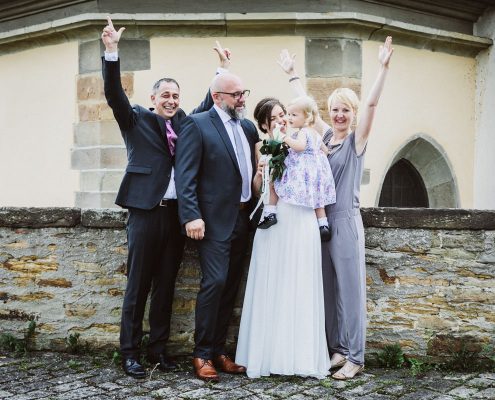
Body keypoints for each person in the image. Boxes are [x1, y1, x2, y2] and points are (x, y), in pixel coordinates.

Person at [101, 17, 231, 379]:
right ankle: (130, 353)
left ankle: (158, 350)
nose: (171, 100)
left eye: (176, 96)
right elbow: (113, 95)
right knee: (138, 285)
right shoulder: (136, 119)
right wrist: (111, 52)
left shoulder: (188, 123)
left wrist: (220, 70)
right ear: (153, 99)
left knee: (166, 287)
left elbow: (209, 107)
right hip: (144, 213)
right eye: (165, 96)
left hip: (175, 216)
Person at [235, 95, 331, 379]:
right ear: (264, 123)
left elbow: (319, 154)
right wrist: (260, 174)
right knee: (273, 281)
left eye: (283, 115)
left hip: (300, 214)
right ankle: (267, 355)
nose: (281, 120)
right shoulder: (261, 145)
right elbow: (256, 189)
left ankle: (299, 356)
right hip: (273, 218)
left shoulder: (300, 136)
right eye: (275, 117)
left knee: (299, 280)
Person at [175, 72, 259, 382]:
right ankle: (201, 354)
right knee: (215, 282)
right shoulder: (197, 125)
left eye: (243, 92)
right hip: (211, 222)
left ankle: (221, 352)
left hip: (243, 218)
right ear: (217, 97)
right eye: (235, 94)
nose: (242, 98)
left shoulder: (248, 127)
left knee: (231, 286)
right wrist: (190, 215)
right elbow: (186, 175)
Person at [321, 36, 394, 380]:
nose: (339, 115)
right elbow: (304, 110)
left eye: (345, 110)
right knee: (328, 289)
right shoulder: (324, 139)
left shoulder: (355, 141)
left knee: (350, 291)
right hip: (321, 223)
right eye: (335, 109)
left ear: (352, 115)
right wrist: (292, 74)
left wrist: (382, 68)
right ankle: (336, 349)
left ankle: (356, 356)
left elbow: (372, 108)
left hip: (346, 220)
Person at [274, 96, 335, 239]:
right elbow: (325, 151)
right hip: (316, 172)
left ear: (306, 117)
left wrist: (285, 138)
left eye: (294, 115)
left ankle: (303, 210)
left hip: (304, 171)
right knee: (318, 198)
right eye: (288, 114)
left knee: (304, 190)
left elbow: (300, 147)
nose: (289, 118)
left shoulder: (302, 132)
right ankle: (323, 224)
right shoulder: (315, 133)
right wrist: (318, 163)